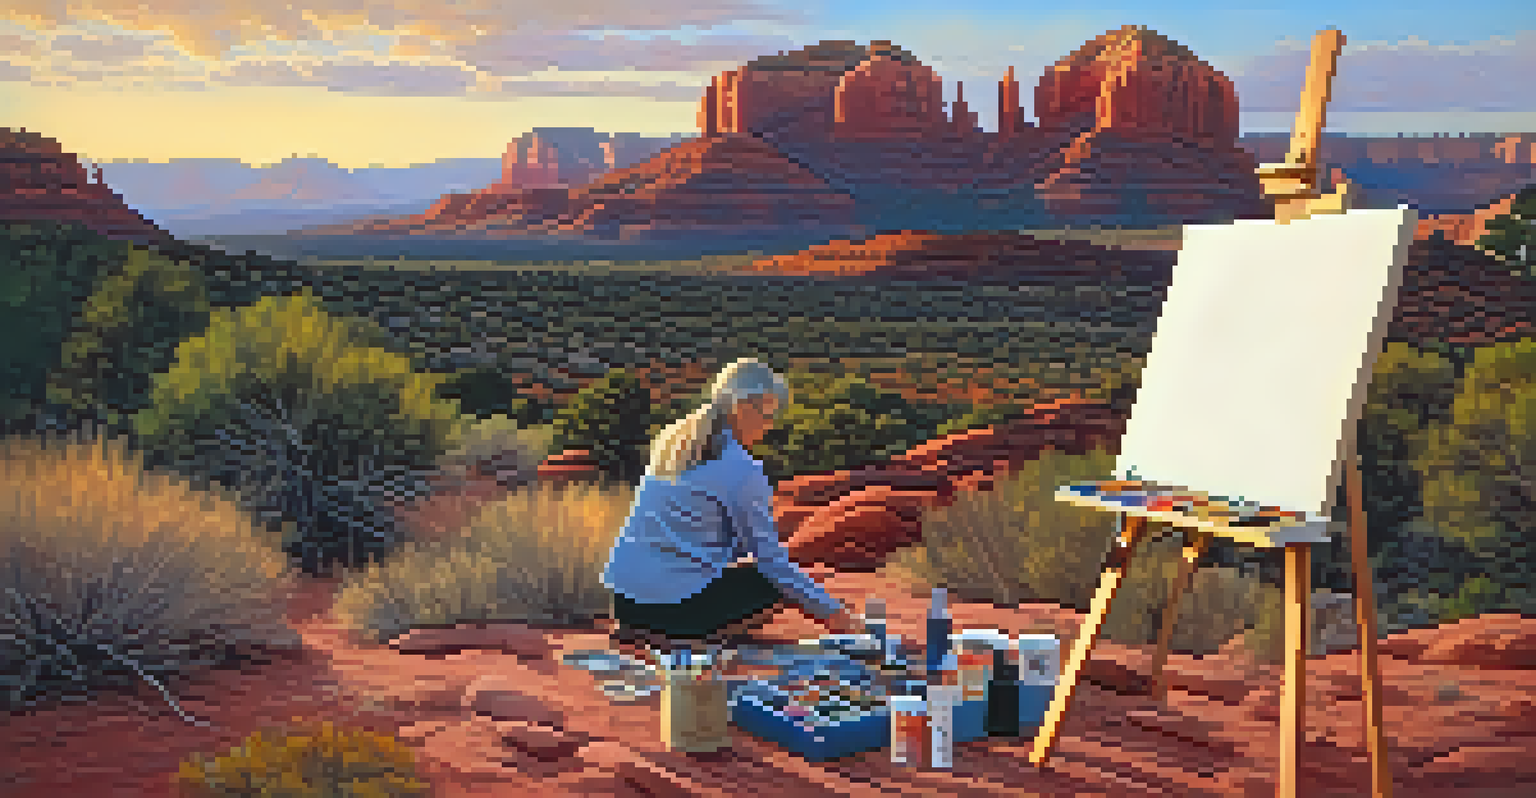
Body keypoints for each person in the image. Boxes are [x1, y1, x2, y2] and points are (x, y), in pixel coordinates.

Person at [601, 357, 864, 650]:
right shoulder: (742, 468)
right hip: (671, 614)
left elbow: (709, 542)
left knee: (763, 572)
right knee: (776, 581)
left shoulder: (673, 444)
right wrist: (839, 618)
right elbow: (771, 563)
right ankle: (684, 634)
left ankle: (648, 631)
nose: (770, 425)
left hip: (626, 606)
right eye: (767, 414)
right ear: (742, 406)